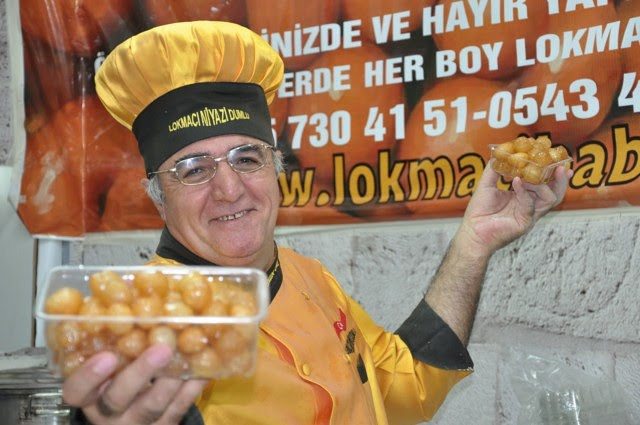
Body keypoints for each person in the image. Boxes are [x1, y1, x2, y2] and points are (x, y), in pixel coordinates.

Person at [63, 21, 571, 425]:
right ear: (158, 197)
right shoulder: (143, 325)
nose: (229, 189)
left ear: (276, 169)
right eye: (194, 169)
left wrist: (474, 242)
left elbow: (403, 388)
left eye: (246, 158)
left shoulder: (310, 278)